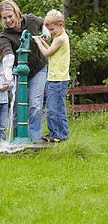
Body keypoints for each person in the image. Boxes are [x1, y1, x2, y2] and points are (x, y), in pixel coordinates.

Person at [0, 0, 51, 141]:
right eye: (4, 18)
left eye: (10, 16)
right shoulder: (4, 36)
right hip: (18, 72)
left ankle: (34, 140)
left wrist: (45, 32)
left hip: (38, 69)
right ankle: (16, 140)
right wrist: (8, 68)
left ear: (16, 12)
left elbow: (43, 22)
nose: (8, 20)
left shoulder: (31, 20)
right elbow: (8, 52)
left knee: (35, 105)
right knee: (16, 109)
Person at [33, 9, 70, 142]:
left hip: (58, 80)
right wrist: (41, 40)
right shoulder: (58, 38)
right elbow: (49, 49)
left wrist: (38, 42)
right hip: (54, 79)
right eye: (49, 30)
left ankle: (61, 134)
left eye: (52, 29)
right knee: (51, 109)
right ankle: (55, 133)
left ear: (61, 25)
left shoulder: (60, 39)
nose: (51, 32)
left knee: (55, 109)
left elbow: (46, 53)